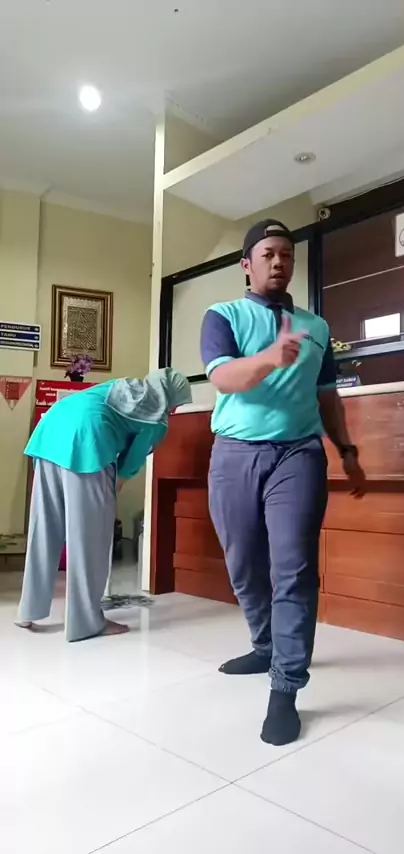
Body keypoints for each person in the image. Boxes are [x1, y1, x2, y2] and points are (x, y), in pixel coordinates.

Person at [200, 219, 366, 746]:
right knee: (243, 564)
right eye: (268, 253)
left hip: (298, 454)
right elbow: (223, 377)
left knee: (293, 569)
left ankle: (286, 686)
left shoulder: (316, 327)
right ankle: (265, 645)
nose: (278, 262)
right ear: (247, 264)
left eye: (287, 255)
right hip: (234, 453)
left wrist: (347, 451)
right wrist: (270, 358)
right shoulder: (223, 315)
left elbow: (327, 397)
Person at [16, 368, 191, 642]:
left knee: (45, 528)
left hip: (50, 430)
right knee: (91, 539)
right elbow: (130, 465)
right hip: (88, 439)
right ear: (171, 398)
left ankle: (28, 610)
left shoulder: (123, 386)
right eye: (177, 404)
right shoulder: (157, 415)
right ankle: (85, 622)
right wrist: (109, 494)